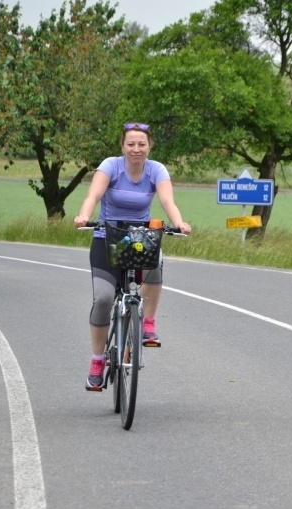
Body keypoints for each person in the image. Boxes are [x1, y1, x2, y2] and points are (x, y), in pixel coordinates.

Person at [74, 122, 192, 391]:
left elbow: (167, 201)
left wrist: (179, 222)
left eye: (142, 144)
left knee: (155, 261)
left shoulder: (156, 170)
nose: (136, 149)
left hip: (139, 240)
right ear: (122, 146)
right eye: (131, 144)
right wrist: (84, 216)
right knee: (103, 299)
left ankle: (147, 322)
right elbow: (94, 194)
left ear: (149, 146)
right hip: (108, 237)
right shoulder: (111, 166)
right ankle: (97, 360)